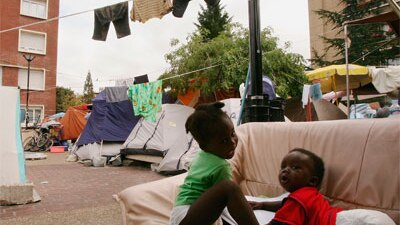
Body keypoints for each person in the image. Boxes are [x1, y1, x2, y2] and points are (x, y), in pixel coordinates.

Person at [169, 102, 259, 225]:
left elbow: (218, 204)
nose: (232, 142)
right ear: (204, 145)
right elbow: (227, 204)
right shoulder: (221, 166)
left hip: (179, 215)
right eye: (223, 140)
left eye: (232, 133)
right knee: (230, 188)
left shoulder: (202, 155)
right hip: (188, 215)